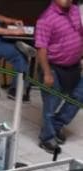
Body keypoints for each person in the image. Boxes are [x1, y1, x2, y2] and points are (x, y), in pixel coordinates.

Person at [34, 0, 83, 153]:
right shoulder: (46, 19)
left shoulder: (76, 10)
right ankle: (47, 138)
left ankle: (56, 125)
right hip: (53, 68)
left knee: (78, 97)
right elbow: (41, 49)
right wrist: (47, 73)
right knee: (51, 105)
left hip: (74, 66)